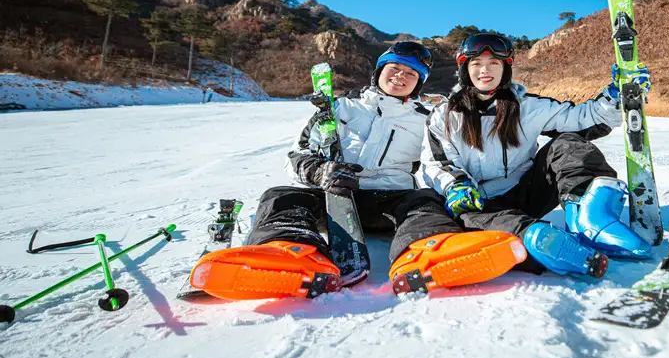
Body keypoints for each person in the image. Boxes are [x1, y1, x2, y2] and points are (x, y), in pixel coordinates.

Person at [190, 41, 525, 300]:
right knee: (282, 196)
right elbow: (299, 154)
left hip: (388, 201)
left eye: (410, 74)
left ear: (418, 84)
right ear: (378, 72)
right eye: (394, 68)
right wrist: (321, 172)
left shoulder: (425, 119)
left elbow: (440, 159)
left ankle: (428, 252)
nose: (400, 76)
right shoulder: (339, 109)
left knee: (424, 200)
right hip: (333, 198)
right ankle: (289, 254)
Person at [420, 33, 654, 280]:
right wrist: (456, 186)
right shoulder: (443, 115)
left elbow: (583, 120)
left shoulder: (528, 106)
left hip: (525, 192)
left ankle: (591, 218)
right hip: (477, 202)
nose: (484, 70)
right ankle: (546, 242)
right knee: (476, 224)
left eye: (494, 63)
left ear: (506, 68)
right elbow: (437, 162)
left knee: (567, 143)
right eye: (476, 64)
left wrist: (615, 97)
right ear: (465, 70)